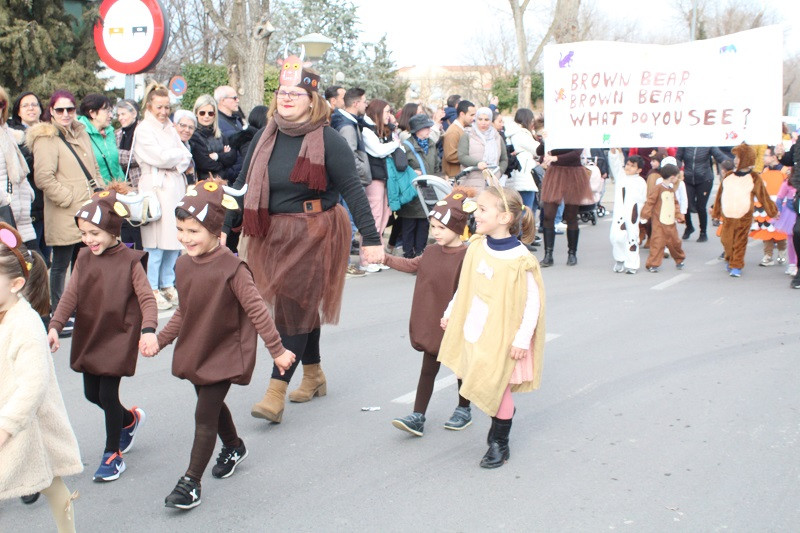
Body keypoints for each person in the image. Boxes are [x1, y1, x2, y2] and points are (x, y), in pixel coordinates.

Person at [221, 63, 382, 424]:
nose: (287, 99)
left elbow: (354, 191)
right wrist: (226, 228)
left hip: (315, 231)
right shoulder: (265, 135)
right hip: (270, 233)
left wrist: (371, 238)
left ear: (312, 101)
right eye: (282, 93)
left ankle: (275, 392)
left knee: (293, 309)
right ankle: (313, 374)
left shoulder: (328, 140)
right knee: (297, 306)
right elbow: (243, 184)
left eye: (297, 94)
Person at [140, 178, 294, 510]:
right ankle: (235, 446)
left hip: (225, 350)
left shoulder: (233, 268)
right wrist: (160, 340)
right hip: (199, 347)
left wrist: (277, 350)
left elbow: (256, 310)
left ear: (214, 230)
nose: (184, 238)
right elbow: (184, 310)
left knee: (204, 413)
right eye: (180, 229)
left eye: (193, 231)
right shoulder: (183, 264)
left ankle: (190, 483)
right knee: (210, 403)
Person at [47, 184, 156, 481]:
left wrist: (148, 330)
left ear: (113, 230)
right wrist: (55, 326)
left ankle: (112, 454)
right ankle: (129, 419)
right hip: (90, 332)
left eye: (94, 233)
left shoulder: (130, 261)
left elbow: (147, 298)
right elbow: (70, 295)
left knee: (107, 394)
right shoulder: (83, 258)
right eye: (84, 234)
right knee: (91, 393)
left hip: (119, 335)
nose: (88, 240)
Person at [438, 185, 544, 469]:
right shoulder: (476, 246)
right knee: (479, 380)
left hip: (504, 337)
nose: (477, 215)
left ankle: (499, 443)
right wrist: (451, 311)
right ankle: (490, 418)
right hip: (475, 328)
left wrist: (522, 339)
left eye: (483, 210)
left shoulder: (522, 260)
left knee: (499, 391)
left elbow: (533, 304)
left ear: (504, 218)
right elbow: (465, 287)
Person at [0, 223, 82, 532]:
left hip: (22, 424)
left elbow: (33, 384)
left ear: (16, 283)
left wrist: (5, 427)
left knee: (50, 482)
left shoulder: (25, 324)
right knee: (49, 482)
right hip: (15, 423)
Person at [387, 189, 473, 436]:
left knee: (460, 367)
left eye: (441, 228)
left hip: (459, 323)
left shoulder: (469, 255)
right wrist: (384, 258)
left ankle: (463, 409)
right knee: (428, 367)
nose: (435, 232)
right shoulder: (433, 251)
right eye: (433, 227)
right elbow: (412, 265)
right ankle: (418, 415)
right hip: (436, 321)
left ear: (457, 227)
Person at [28, 89, 101, 335]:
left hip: (88, 209)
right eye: (60, 110)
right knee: (60, 263)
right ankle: (59, 313)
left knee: (82, 261)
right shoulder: (46, 138)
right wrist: (69, 198)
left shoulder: (81, 133)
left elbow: (93, 169)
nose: (66, 114)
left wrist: (99, 193)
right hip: (64, 211)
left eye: (70, 109)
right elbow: (43, 178)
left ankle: (79, 308)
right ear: (51, 111)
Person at [133, 83, 192, 310]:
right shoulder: (144, 129)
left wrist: (175, 157)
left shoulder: (169, 127)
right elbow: (158, 157)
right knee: (155, 243)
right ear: (150, 106)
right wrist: (176, 156)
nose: (164, 112)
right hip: (156, 187)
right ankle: (152, 287)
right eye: (159, 107)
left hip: (174, 185)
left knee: (173, 240)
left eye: (167, 107)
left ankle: (168, 283)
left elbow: (185, 155)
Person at [711, 143, 776, 278]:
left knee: (740, 242)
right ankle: (730, 258)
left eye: (738, 157)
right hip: (728, 215)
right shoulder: (728, 176)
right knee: (727, 241)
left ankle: (736, 265)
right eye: (735, 157)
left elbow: (764, 197)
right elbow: (719, 196)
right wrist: (716, 212)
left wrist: (773, 212)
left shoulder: (754, 178)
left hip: (744, 216)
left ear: (746, 159)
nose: (735, 160)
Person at [539, 145, 593, 267]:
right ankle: (548, 254)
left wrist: (555, 158)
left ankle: (572, 253)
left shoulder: (574, 131)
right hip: (555, 173)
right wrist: (545, 140)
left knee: (571, 216)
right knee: (548, 215)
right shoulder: (553, 132)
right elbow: (539, 151)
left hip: (574, 173)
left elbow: (575, 154)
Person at [362, 98, 399, 271]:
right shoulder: (366, 130)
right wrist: (394, 144)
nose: (389, 115)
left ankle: (379, 256)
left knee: (385, 215)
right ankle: (367, 259)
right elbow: (378, 151)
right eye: (386, 112)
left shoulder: (383, 130)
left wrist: (392, 131)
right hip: (374, 178)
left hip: (385, 177)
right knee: (374, 217)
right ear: (377, 112)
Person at [8, 91, 46, 258]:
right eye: (25, 105)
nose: (31, 108)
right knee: (32, 257)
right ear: (18, 111)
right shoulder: (12, 135)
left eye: (34, 104)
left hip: (50, 204)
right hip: (29, 203)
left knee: (46, 256)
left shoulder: (50, 132)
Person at [0, 86, 37, 253]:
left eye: (1, 104)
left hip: (21, 216)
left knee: (33, 267)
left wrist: (28, 193)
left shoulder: (7, 134)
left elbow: (18, 173)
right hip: (4, 216)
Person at [398, 114, 440, 258]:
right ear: (417, 130)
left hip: (428, 190)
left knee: (424, 224)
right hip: (412, 192)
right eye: (426, 127)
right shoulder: (406, 146)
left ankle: (421, 255)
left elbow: (437, 165)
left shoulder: (432, 144)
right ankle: (409, 256)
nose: (429, 129)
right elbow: (400, 169)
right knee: (409, 225)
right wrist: (411, 172)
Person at [675, 146, 731, 242]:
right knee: (686, 204)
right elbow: (678, 158)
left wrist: (731, 164)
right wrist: (674, 168)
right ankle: (689, 227)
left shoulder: (707, 144)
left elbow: (719, 156)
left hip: (705, 178)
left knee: (701, 206)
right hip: (688, 178)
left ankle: (703, 232)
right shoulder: (685, 143)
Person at [640, 163, 686, 272]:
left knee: (675, 242)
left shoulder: (671, 189)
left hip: (670, 222)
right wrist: (645, 215)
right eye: (677, 177)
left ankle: (679, 259)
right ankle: (652, 264)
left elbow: (675, 204)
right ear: (672, 177)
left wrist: (679, 215)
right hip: (659, 223)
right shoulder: (658, 188)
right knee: (657, 243)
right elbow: (650, 202)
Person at [608, 150, 647, 274]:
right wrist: (613, 153)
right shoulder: (621, 176)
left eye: (632, 166)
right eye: (628, 164)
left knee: (632, 238)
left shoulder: (641, 182)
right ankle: (620, 259)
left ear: (639, 170)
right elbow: (615, 164)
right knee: (616, 237)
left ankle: (632, 264)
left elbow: (643, 199)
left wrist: (642, 216)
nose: (629, 167)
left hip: (632, 214)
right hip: (619, 214)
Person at [751, 147, 788, 267]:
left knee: (780, 231)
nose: (763, 158)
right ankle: (768, 255)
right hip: (766, 206)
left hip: (781, 205)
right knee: (766, 229)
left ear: (773, 157)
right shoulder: (764, 171)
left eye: (765, 156)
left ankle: (782, 252)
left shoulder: (785, 170)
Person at [115, 99, 144, 249]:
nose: (120, 118)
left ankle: (139, 257)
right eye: (118, 114)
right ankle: (127, 254)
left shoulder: (142, 131)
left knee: (138, 227)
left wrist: (114, 154)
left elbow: (138, 157)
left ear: (134, 113)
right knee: (125, 227)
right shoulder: (118, 134)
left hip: (138, 185)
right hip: (123, 189)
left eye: (123, 114)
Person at [189, 94, 238, 183]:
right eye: (202, 113)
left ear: (214, 115)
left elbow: (233, 157)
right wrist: (224, 158)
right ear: (196, 113)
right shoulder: (193, 136)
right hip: (204, 184)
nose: (206, 116)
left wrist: (217, 156)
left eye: (210, 113)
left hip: (224, 183)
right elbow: (204, 163)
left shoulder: (221, 135)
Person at [76, 94, 124, 185]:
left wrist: (124, 185)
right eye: (107, 111)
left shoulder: (110, 133)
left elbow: (116, 166)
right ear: (92, 113)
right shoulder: (79, 134)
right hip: (96, 193)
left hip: (118, 191)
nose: (111, 115)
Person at [457, 107, 508, 190]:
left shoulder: (497, 137)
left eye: (486, 119)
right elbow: (462, 156)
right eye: (480, 119)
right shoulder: (468, 135)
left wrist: (499, 172)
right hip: (471, 182)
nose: (483, 122)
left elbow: (504, 159)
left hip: (493, 182)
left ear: (491, 121)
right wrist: (477, 163)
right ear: (476, 119)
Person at [508, 108, 541, 219]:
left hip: (517, 177)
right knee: (526, 212)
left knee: (518, 211)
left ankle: (521, 235)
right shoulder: (522, 134)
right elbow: (537, 149)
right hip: (525, 177)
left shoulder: (512, 133)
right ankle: (524, 236)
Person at [442, 100, 476, 179]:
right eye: (471, 115)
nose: (473, 118)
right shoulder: (453, 132)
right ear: (462, 114)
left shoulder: (463, 129)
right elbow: (450, 155)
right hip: (454, 176)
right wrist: (472, 157)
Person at [773, 175, 797, 276]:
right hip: (790, 213)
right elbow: (779, 198)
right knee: (791, 240)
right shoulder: (787, 183)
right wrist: (778, 211)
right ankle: (792, 264)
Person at [172, 109, 197, 185]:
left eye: (191, 127)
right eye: (183, 125)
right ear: (174, 125)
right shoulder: (170, 144)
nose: (187, 130)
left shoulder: (188, 146)